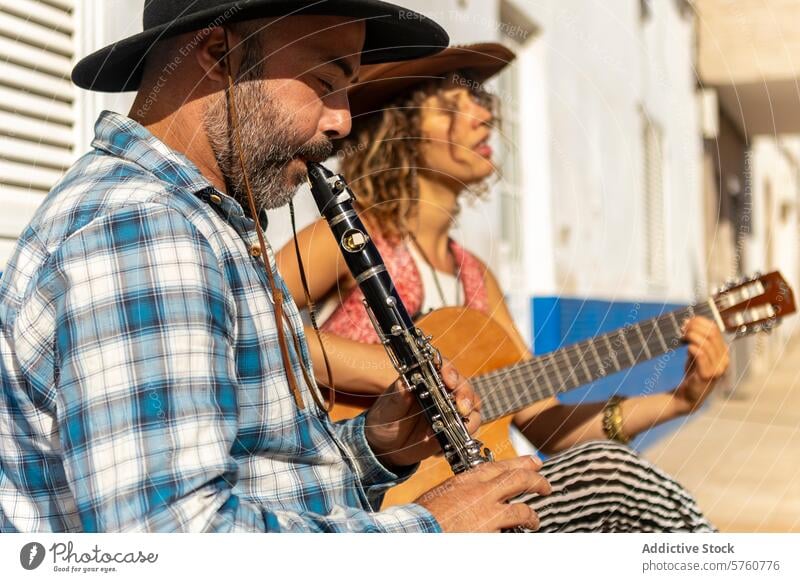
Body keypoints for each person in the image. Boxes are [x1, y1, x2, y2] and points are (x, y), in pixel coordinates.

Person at [0, 3, 553, 533]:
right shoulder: (145, 229)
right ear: (219, 53)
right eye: (325, 81)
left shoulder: (202, 222)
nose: (341, 122)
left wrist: (375, 447)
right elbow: (172, 540)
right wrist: (433, 530)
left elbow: (256, 488)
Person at [277, 43, 730, 532]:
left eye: (484, 104)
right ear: (401, 127)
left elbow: (544, 423)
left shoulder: (476, 279)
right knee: (612, 477)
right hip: (376, 510)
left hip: (481, 512)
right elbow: (260, 322)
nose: (483, 118)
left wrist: (678, 399)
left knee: (606, 473)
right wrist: (397, 370)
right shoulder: (348, 239)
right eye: (456, 104)